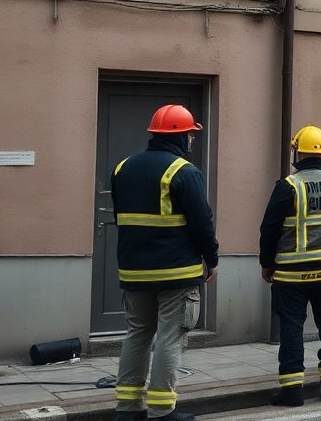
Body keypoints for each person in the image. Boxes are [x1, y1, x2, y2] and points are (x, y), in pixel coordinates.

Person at [111, 104, 218, 421]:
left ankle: (127, 409)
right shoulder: (184, 171)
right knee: (170, 337)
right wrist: (211, 259)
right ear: (184, 136)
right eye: (191, 135)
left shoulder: (122, 168)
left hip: (133, 270)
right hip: (176, 273)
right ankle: (161, 410)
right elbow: (202, 223)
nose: (191, 141)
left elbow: (122, 219)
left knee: (137, 334)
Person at [259, 125, 321, 407]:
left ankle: (292, 391)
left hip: (291, 275)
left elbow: (269, 229)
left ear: (296, 152)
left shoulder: (288, 186)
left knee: (291, 327)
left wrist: (267, 263)